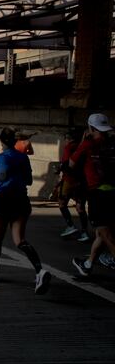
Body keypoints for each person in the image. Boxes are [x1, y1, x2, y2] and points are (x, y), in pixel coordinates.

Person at [0, 127, 51, 294]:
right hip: (21, 199)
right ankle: (39, 271)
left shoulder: (2, 157)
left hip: (3, 199)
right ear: (15, 141)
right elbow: (29, 180)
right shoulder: (23, 157)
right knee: (20, 240)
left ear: (1, 141)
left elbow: (2, 176)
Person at [70, 114, 115, 277]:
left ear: (91, 128)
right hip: (113, 191)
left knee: (104, 232)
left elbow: (71, 164)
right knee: (101, 233)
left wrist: (82, 143)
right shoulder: (112, 143)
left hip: (97, 193)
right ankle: (88, 265)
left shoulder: (88, 144)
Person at [57, 128, 91, 242]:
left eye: (65, 138)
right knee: (80, 207)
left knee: (62, 203)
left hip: (69, 180)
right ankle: (84, 232)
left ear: (69, 139)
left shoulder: (69, 147)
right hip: (83, 180)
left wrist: (61, 168)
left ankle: (70, 226)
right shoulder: (85, 147)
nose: (65, 141)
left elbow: (67, 164)